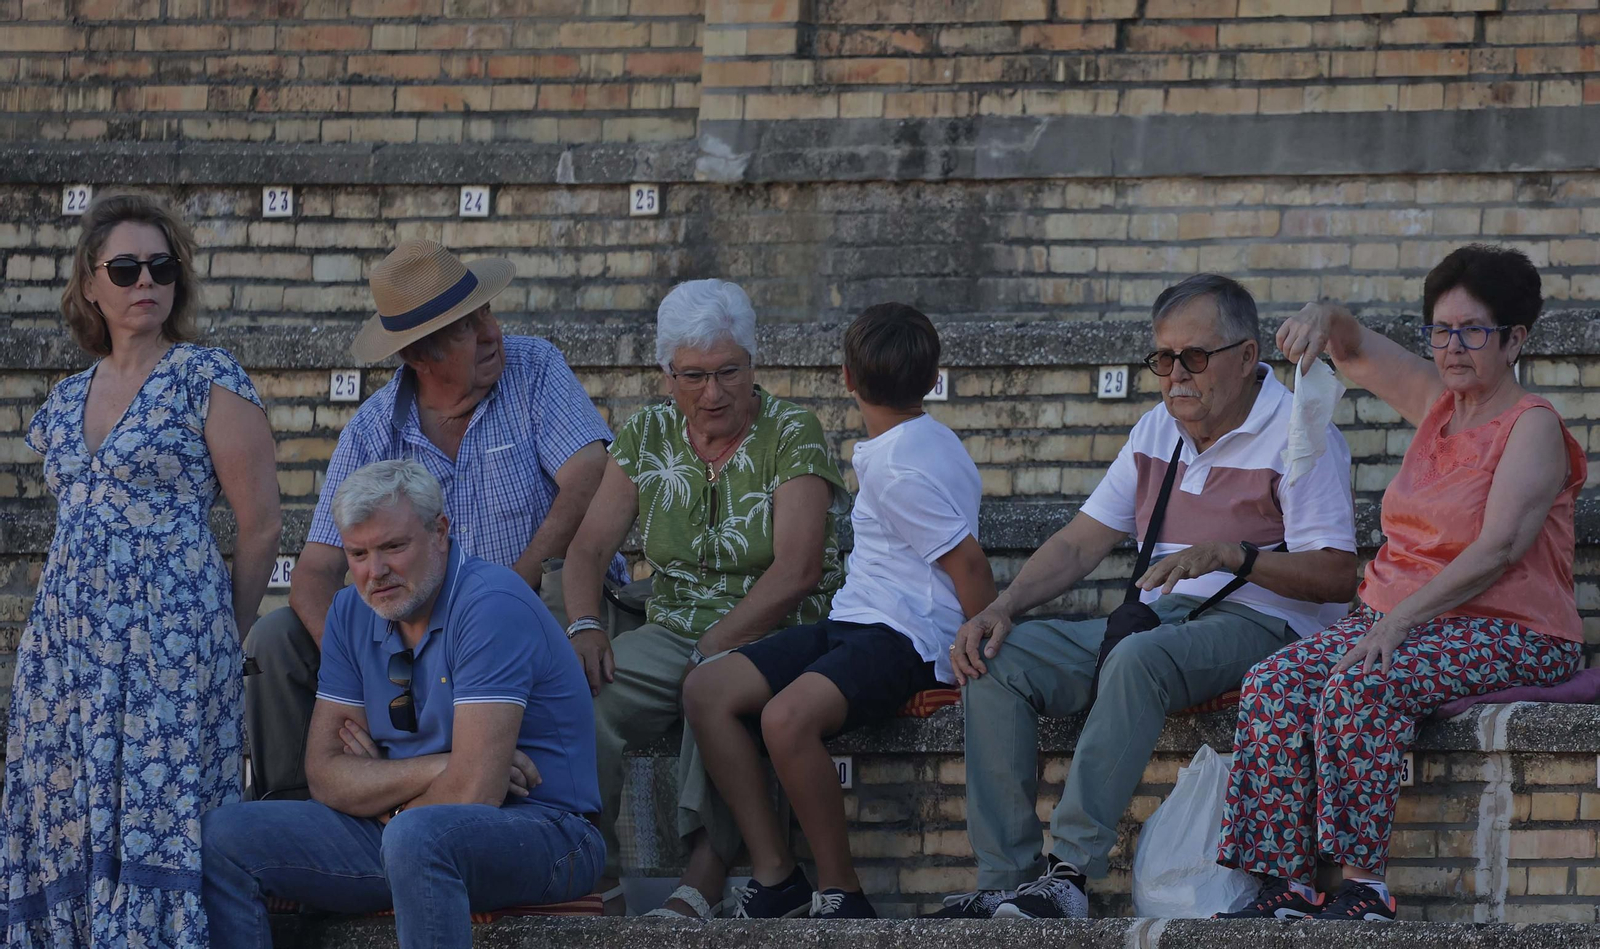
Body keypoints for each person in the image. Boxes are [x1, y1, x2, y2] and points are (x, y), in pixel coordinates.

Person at [928, 273, 1360, 920]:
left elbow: (1335, 576)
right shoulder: (1157, 429)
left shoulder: (1301, 430)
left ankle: (1069, 874)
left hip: (1266, 623)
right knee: (998, 658)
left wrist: (1232, 555)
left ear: (1247, 357)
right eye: (1163, 358)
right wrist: (1001, 606)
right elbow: (1078, 544)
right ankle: (1007, 880)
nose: (1175, 374)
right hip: (1164, 618)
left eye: (1193, 356)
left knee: (1137, 658)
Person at [1215, 245, 1587, 922]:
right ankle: (1285, 884)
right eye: (1441, 330)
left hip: (1511, 630)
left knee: (1364, 680)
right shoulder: (1438, 403)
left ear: (1515, 339)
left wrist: (1399, 619)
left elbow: (1500, 546)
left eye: (1473, 330)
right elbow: (1352, 346)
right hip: (1406, 621)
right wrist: (1321, 315)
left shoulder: (1532, 426)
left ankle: (1363, 884)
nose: (1453, 345)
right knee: (1273, 680)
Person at [243, 238, 628, 802]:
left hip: (536, 598)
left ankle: (568, 836)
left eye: (487, 313)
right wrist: (361, 674)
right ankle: (304, 823)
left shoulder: (534, 367)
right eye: (468, 328)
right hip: (415, 631)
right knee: (275, 639)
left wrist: (515, 580)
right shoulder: (373, 427)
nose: (493, 332)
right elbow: (314, 572)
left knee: (549, 631)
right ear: (418, 355)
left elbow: (589, 471)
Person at [1, 192, 281, 946]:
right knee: (66, 816)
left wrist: (228, 628)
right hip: (66, 653)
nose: (144, 282)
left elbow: (259, 525)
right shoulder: (60, 403)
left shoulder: (206, 377)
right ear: (90, 284)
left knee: (167, 821)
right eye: (124, 268)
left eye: (160, 266)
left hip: (172, 642)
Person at [202, 460, 603, 948]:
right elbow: (326, 773)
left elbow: (475, 791)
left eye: (394, 546)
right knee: (221, 838)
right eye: (358, 553)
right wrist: (436, 769)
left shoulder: (491, 604)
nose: (376, 572)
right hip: (403, 832)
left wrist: (389, 795)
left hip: (547, 831)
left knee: (417, 839)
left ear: (439, 532)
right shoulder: (352, 611)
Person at [683, 303, 995, 919]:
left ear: (845, 378)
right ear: (935, 379)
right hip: (853, 621)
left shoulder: (901, 467)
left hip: (904, 638)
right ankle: (777, 878)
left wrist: (985, 649)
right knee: (706, 688)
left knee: (786, 721)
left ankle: (842, 892)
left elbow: (970, 568)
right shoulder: (915, 443)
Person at [561, 279, 849, 918]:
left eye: (728, 372)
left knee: (713, 681)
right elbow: (585, 551)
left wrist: (718, 641)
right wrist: (584, 624)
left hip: (779, 624)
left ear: (753, 364)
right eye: (694, 376)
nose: (712, 393)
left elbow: (799, 569)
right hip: (671, 624)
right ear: (667, 374)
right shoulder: (648, 436)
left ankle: (705, 876)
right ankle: (589, 871)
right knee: (581, 692)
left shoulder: (792, 432)